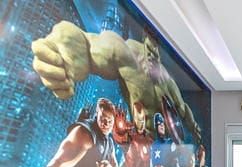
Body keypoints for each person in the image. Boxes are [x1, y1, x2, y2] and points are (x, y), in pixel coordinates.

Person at [31, 22, 202, 146]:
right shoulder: (130, 55)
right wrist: (70, 42)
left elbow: (183, 110)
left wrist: (195, 131)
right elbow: (96, 47)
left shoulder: (169, 86)